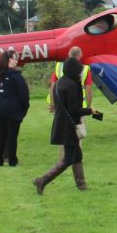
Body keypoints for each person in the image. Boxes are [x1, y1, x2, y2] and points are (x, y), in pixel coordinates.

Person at [33, 57, 93, 194]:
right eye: (78, 71)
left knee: (77, 155)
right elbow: (74, 109)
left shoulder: (60, 83)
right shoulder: (72, 85)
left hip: (62, 124)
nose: (80, 73)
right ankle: (42, 180)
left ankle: (82, 185)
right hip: (69, 127)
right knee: (68, 159)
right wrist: (89, 111)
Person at [0, 50, 30, 166]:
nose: (17, 61)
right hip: (12, 110)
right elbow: (24, 94)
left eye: (17, 58)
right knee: (12, 136)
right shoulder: (16, 76)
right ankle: (12, 160)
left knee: (1, 135)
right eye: (14, 58)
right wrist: (24, 108)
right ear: (8, 60)